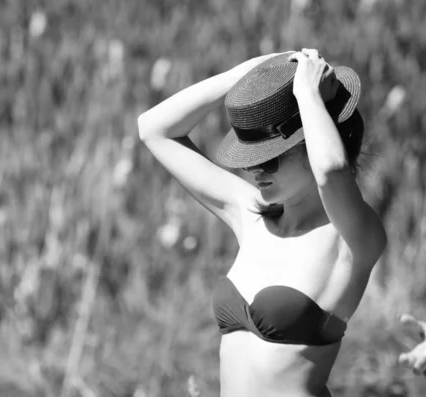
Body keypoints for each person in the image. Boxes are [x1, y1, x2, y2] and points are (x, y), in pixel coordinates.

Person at [137, 48, 387, 397]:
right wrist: (249, 75)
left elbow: (330, 170)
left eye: (272, 158)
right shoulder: (250, 215)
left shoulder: (352, 238)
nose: (256, 171)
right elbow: (153, 129)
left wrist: (306, 94)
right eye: (253, 160)